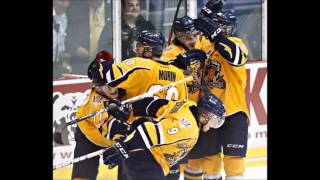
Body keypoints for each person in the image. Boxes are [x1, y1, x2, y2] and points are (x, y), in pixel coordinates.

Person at [183, 4, 249, 180]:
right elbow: (195, 31)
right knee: (209, 161)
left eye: (222, 28)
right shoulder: (204, 43)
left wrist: (216, 34)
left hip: (233, 110)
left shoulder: (237, 44)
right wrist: (204, 16)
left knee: (234, 162)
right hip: (207, 112)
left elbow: (234, 56)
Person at [102, 92, 226, 180]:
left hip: (148, 160)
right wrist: (122, 148)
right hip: (148, 161)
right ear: (205, 114)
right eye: (215, 121)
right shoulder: (188, 128)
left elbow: (156, 105)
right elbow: (150, 132)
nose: (212, 126)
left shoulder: (187, 105)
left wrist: (129, 110)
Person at [71, 51, 129, 180]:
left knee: (130, 171)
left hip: (117, 136)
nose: (113, 90)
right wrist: (120, 143)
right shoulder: (96, 104)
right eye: (107, 86)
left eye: (114, 84)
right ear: (97, 88)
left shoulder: (127, 87)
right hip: (89, 135)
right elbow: (110, 127)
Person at [65, 0, 113, 74]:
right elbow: (64, 33)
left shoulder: (113, 8)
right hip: (81, 65)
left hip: (106, 65)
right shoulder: (76, 8)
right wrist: (75, 48)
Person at [53, 0, 71, 77]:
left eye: (67, 1)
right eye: (61, 1)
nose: (64, 4)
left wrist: (64, 62)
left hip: (56, 66)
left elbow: (60, 46)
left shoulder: (64, 17)